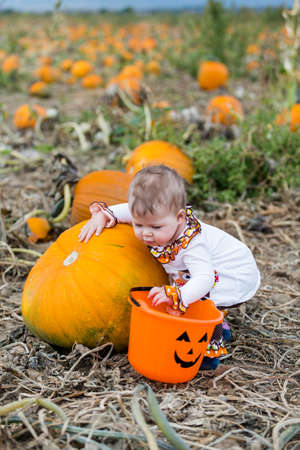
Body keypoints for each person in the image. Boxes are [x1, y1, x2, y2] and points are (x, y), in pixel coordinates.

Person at [79, 165, 260, 370]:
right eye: (139, 225)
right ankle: (219, 325)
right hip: (204, 269)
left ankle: (209, 347)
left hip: (230, 270)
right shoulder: (156, 216)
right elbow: (127, 211)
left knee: (203, 300)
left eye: (155, 227)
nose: (146, 234)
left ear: (180, 217)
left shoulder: (193, 245)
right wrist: (103, 215)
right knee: (191, 294)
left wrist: (177, 295)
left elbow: (205, 278)